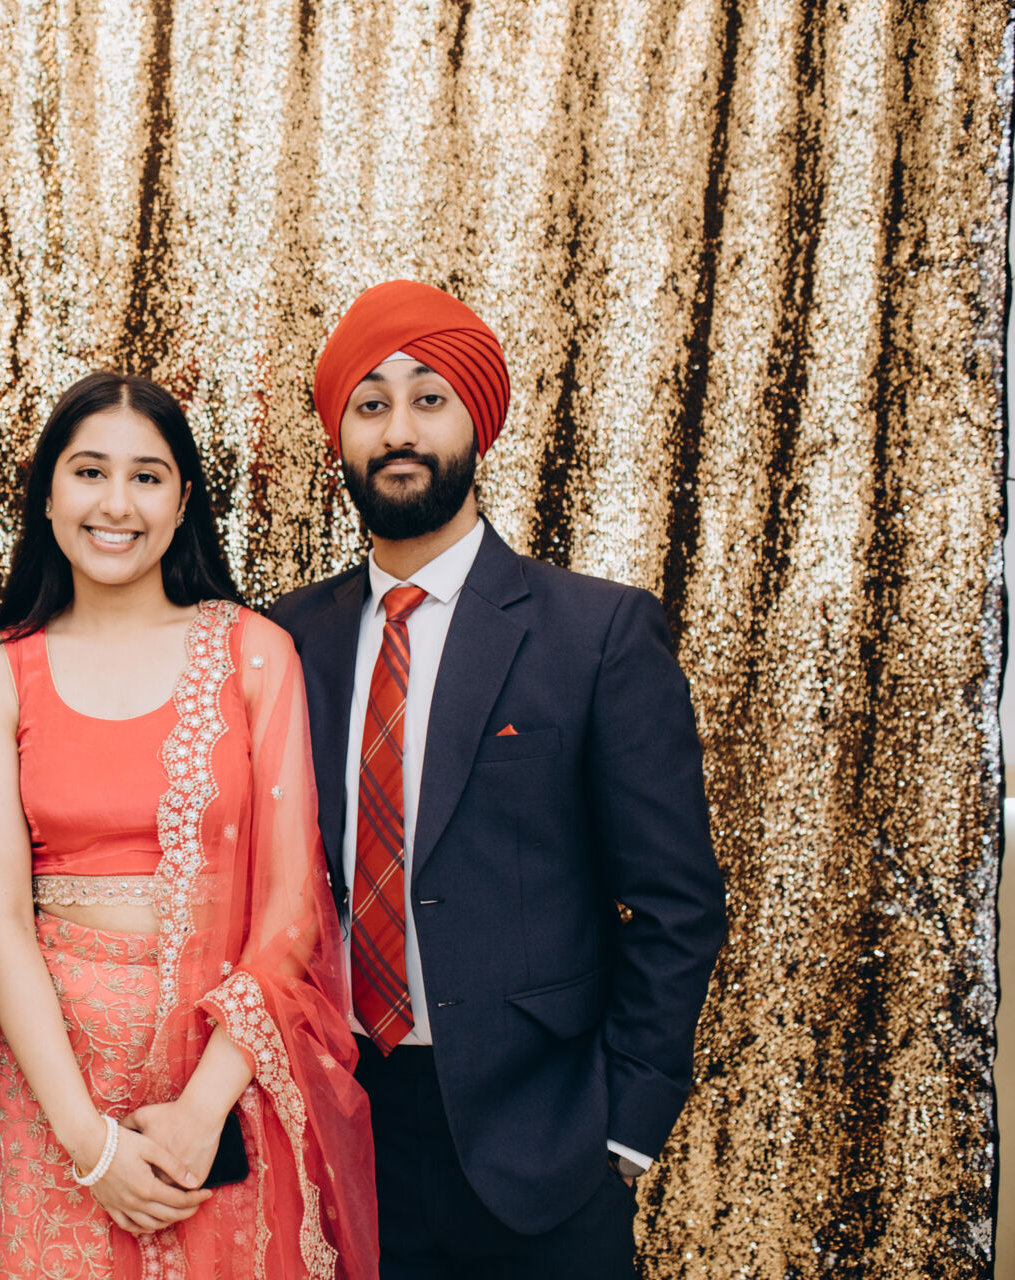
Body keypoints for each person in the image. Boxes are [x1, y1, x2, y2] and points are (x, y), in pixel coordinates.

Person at [269, 280, 728, 1278]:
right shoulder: (285, 640)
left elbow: (677, 902)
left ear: (477, 422)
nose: (399, 430)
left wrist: (628, 1123)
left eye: (429, 399)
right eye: (371, 404)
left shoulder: (596, 633)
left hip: (545, 1140)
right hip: (342, 1127)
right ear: (339, 435)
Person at [0, 371, 380, 1280]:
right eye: (89, 472)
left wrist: (199, 1114)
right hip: (52, 1089)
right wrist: (90, 1143)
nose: (117, 504)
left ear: (183, 501)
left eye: (146, 477)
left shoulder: (253, 654)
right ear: (49, 496)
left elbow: (292, 914)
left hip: (221, 1083)